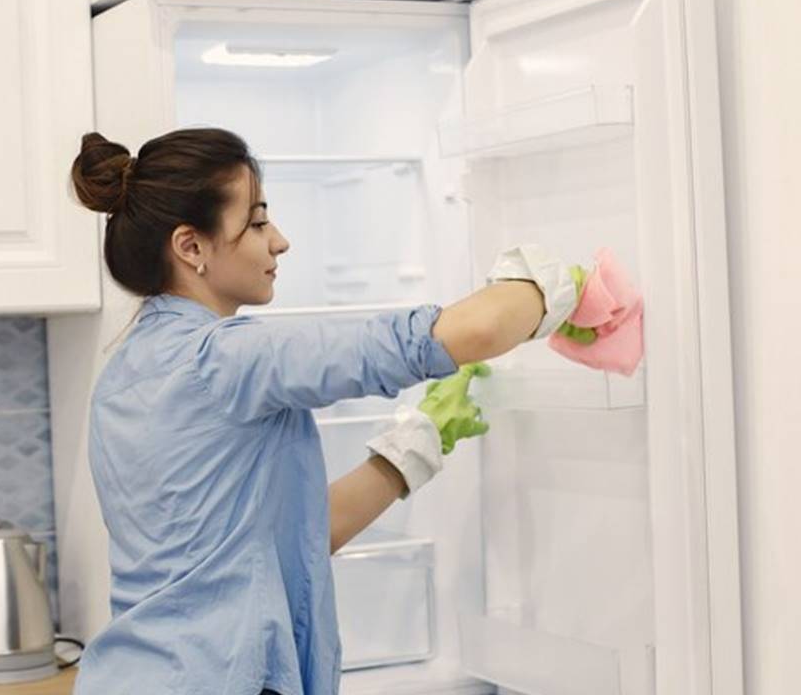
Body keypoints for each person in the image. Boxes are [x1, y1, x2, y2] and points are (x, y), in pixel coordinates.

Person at [68, 128, 580, 695]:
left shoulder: (124, 372)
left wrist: (414, 445)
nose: (279, 241)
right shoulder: (228, 358)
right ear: (191, 247)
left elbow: (289, 537)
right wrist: (560, 285)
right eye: (258, 221)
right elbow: (462, 332)